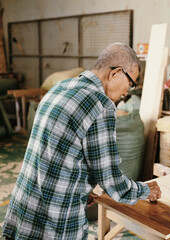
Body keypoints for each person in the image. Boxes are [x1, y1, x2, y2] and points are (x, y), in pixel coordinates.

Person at [3, 42, 161, 240]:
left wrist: (82, 189)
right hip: (56, 217)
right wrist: (144, 190)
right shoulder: (101, 105)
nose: (127, 92)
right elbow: (111, 181)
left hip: (25, 205)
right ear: (116, 73)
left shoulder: (61, 87)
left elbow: (57, 152)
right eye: (130, 83)